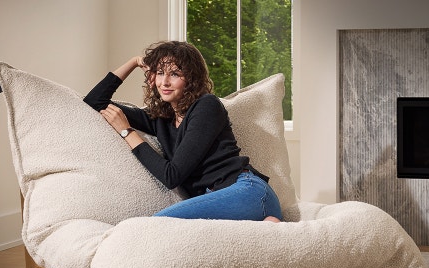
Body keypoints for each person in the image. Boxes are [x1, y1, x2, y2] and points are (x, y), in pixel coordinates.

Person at [84, 41, 282, 222]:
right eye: (160, 73)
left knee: (152, 225)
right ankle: (266, 227)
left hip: (247, 192)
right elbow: (94, 101)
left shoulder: (207, 106)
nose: (165, 82)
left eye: (175, 74)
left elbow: (172, 176)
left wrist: (126, 131)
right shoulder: (159, 119)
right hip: (221, 200)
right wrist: (134, 62)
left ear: (191, 79)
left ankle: (265, 221)